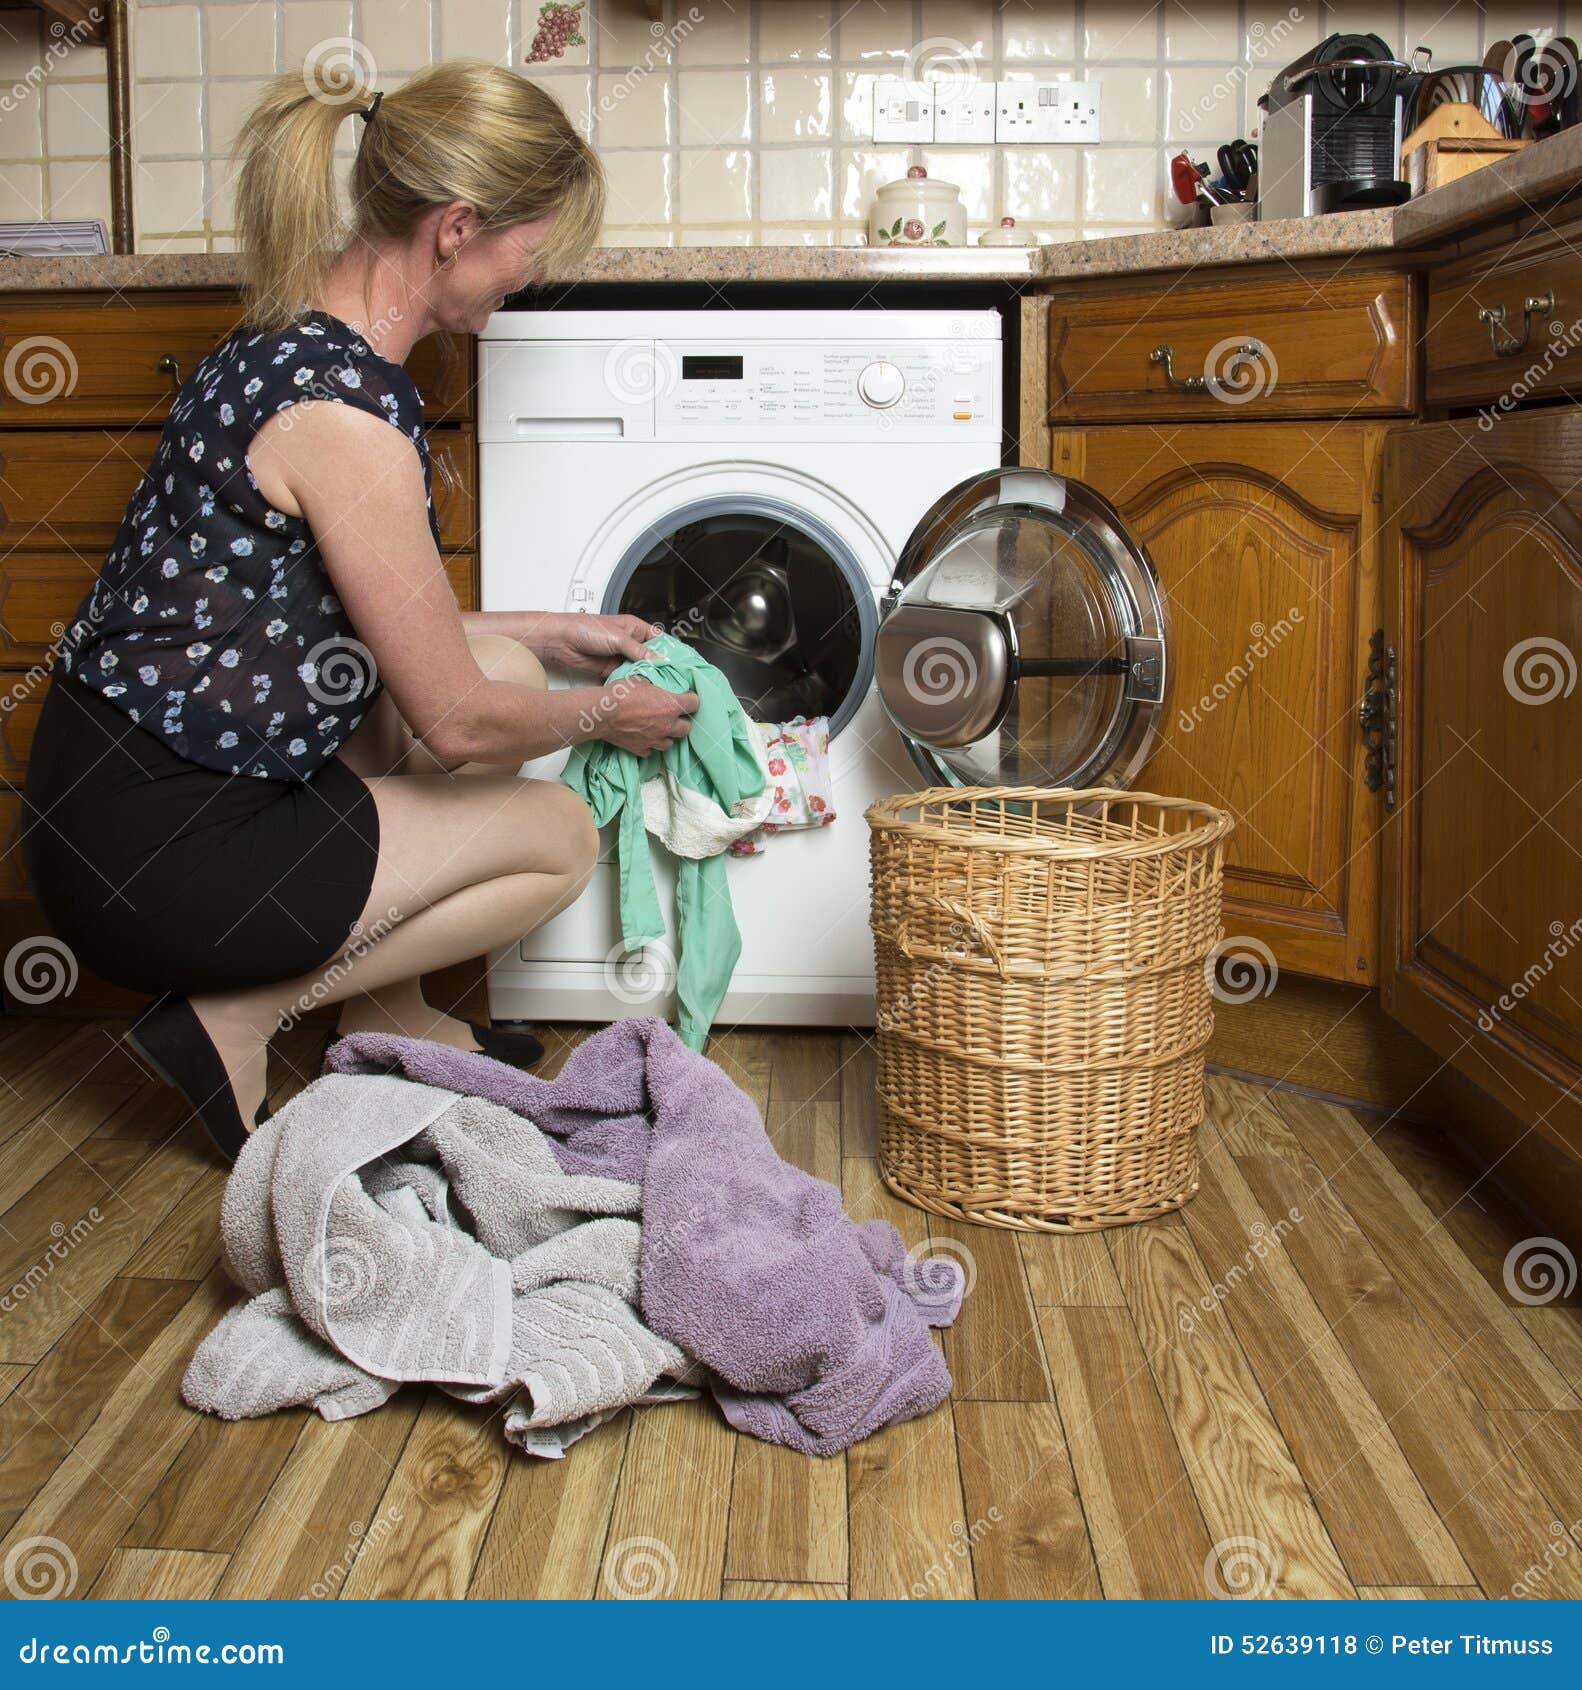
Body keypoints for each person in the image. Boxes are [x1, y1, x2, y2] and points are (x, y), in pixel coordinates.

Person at [21, 59, 696, 1160]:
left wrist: (549, 636)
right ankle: (230, 1018)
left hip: (114, 801)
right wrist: (605, 714)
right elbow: (457, 725)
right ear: (456, 228)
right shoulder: (346, 417)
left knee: (510, 670)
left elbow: (331, 624)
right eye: (529, 252)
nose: (527, 281)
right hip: (157, 854)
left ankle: (387, 1014)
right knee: (558, 837)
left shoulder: (290, 348)